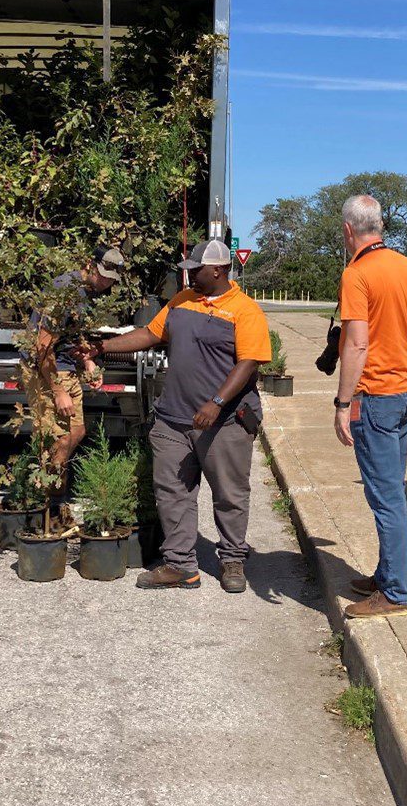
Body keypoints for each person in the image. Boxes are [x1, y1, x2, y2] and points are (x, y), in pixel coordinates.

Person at [89, 240, 271, 593]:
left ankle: (232, 559)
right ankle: (181, 565)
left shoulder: (245, 311)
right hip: (173, 418)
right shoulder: (181, 301)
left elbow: (249, 362)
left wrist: (217, 402)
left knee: (230, 494)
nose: (188, 273)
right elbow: (150, 333)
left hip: (224, 422)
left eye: (196, 268)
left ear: (217, 270)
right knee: (172, 492)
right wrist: (102, 347)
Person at [333, 195, 407, 620]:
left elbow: (357, 343)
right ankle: (386, 573)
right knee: (391, 487)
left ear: (348, 230)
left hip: (376, 398)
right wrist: (395, 338)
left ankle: (396, 592)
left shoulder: (356, 274)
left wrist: (343, 403)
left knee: (386, 497)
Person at [20, 246, 125, 500]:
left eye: (111, 279)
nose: (106, 283)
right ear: (90, 265)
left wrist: (88, 362)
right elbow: (43, 346)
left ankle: (52, 492)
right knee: (57, 438)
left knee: (75, 432)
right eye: (102, 275)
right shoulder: (64, 292)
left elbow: (73, 330)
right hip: (47, 370)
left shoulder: (87, 291)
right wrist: (57, 390)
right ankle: (46, 501)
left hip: (67, 367)